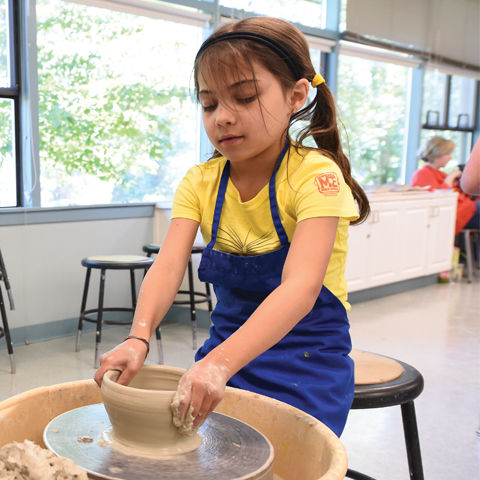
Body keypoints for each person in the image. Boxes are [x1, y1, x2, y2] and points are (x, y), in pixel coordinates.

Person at [94, 16, 370, 438]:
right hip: (224, 352)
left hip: (308, 364)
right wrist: (139, 337)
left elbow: (300, 289)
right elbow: (168, 267)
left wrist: (218, 364)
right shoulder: (200, 182)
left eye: (244, 97)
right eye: (209, 104)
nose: (222, 117)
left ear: (296, 95)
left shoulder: (315, 177)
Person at [411, 136, 480, 234]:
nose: (450, 157)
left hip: (467, 210)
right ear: (437, 154)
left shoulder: (442, 174)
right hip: (455, 215)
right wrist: (450, 178)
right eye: (447, 154)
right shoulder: (422, 174)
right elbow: (438, 199)